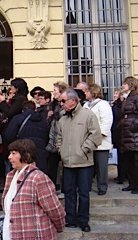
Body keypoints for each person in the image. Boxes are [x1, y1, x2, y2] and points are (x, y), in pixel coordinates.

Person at [57, 88, 102, 232]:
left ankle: (83, 220)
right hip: (68, 162)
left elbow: (96, 136)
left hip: (84, 162)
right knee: (69, 192)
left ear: (73, 101)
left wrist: (84, 149)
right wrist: (62, 151)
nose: (61, 103)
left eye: (63, 101)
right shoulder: (62, 119)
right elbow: (59, 138)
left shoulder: (88, 115)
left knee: (83, 193)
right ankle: (70, 219)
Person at [2, 139, 65, 239]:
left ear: (26, 156)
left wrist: (59, 227)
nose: (9, 157)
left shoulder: (38, 178)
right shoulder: (11, 176)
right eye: (10, 153)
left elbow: (54, 210)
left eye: (14, 153)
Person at [84, 83, 113, 195]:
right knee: (89, 165)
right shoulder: (86, 105)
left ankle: (102, 186)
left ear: (93, 92)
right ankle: (88, 185)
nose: (85, 93)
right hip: (88, 139)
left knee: (101, 166)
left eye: (87, 91)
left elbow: (106, 121)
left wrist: (100, 134)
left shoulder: (103, 104)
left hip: (101, 140)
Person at [5, 101, 49, 174]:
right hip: (40, 154)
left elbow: (9, 135)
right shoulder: (43, 120)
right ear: (35, 109)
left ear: (23, 110)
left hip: (22, 152)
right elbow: (46, 138)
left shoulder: (18, 118)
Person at [46, 81, 69, 193]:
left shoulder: (66, 106)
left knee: (66, 167)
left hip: (63, 140)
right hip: (53, 140)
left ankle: (66, 189)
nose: (53, 92)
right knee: (52, 166)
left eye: (55, 90)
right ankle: (52, 188)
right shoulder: (53, 105)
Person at [119, 76, 138, 194]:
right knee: (129, 160)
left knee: (136, 161)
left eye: (124, 84)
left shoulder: (136, 97)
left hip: (134, 133)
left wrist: (133, 125)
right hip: (127, 132)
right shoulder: (128, 97)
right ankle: (132, 183)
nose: (122, 86)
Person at [111, 89, 125, 184]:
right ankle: (121, 175)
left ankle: (122, 176)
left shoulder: (120, 106)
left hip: (119, 133)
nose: (115, 95)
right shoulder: (116, 105)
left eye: (116, 94)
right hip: (117, 133)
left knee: (122, 157)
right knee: (120, 156)